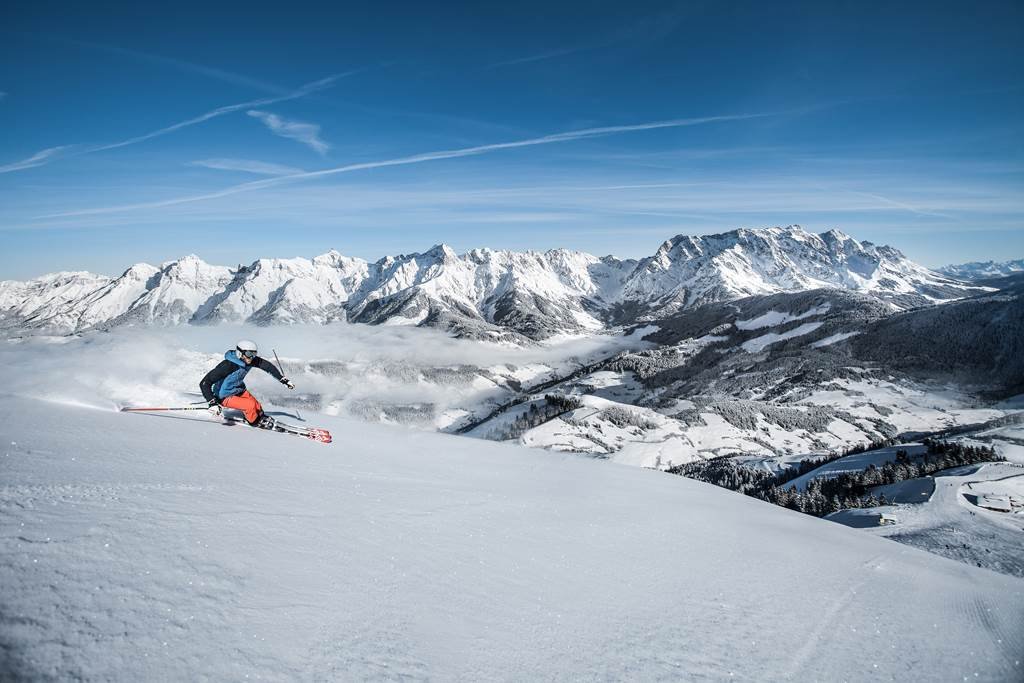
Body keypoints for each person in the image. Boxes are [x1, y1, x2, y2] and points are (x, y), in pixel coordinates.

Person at [200, 339, 295, 429]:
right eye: (249, 354)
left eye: (254, 354)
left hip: (237, 389)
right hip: (223, 395)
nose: (252, 357)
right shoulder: (228, 365)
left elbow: (268, 366)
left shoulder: (249, 360)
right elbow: (204, 383)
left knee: (257, 406)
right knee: (250, 405)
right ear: (239, 353)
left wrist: (282, 379)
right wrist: (212, 402)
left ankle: (260, 417)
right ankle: (255, 422)